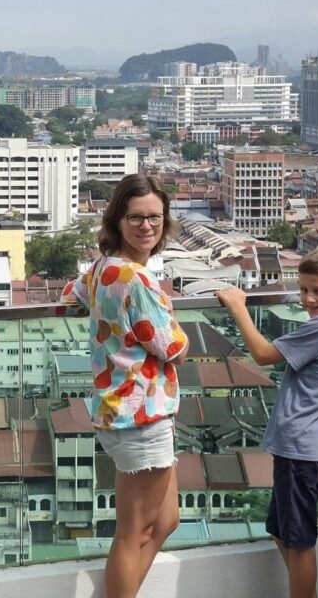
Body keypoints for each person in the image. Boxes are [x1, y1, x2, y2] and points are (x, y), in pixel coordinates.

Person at [62, 173, 189, 598]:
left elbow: (72, 294)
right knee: (133, 532)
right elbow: (173, 348)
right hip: (139, 415)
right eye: (136, 217)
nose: (147, 226)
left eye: (155, 217)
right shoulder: (136, 278)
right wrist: (170, 316)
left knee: (165, 521)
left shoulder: (102, 268)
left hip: (124, 409)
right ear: (118, 220)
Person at [216, 249, 318, 598]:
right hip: (310, 446)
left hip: (301, 448)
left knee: (299, 540)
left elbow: (263, 355)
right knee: (281, 529)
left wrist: (238, 308)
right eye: (303, 290)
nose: (308, 299)